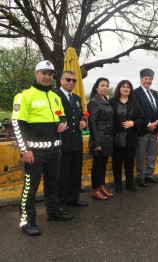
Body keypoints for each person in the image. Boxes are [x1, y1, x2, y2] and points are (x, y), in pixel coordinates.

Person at [12, 60, 72, 236]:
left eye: (50, 74)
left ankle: (53, 212)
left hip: (54, 151)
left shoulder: (55, 96)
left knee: (53, 184)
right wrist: (24, 150)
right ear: (36, 74)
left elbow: (62, 118)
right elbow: (17, 125)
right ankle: (26, 220)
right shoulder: (24, 96)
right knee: (30, 188)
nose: (47, 77)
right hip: (34, 153)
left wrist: (63, 124)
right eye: (43, 73)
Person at [56, 70, 88, 207]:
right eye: (68, 80)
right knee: (63, 174)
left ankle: (73, 198)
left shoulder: (77, 98)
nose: (71, 83)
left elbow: (80, 115)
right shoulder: (54, 96)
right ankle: (61, 201)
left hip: (75, 140)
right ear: (61, 80)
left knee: (76, 171)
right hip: (62, 141)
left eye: (74, 81)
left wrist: (83, 122)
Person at [109, 80, 145, 193]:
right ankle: (118, 185)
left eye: (128, 87)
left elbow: (142, 118)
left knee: (130, 161)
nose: (126, 89)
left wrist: (133, 123)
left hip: (131, 137)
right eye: (123, 87)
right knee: (117, 163)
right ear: (119, 88)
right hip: (116, 137)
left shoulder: (135, 103)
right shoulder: (112, 102)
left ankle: (129, 184)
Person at [134, 68, 158, 187]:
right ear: (141, 79)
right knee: (140, 154)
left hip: (154, 128)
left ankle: (149, 175)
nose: (148, 81)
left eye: (150, 79)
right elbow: (138, 111)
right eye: (146, 78)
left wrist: (157, 122)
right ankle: (140, 177)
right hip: (142, 129)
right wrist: (148, 124)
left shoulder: (154, 93)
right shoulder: (135, 93)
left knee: (151, 153)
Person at [88, 77, 114, 200]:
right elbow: (92, 123)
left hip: (107, 138)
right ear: (97, 87)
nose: (105, 88)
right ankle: (95, 189)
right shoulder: (94, 102)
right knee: (97, 165)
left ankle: (102, 186)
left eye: (106, 85)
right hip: (99, 138)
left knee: (103, 164)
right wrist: (96, 142)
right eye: (102, 85)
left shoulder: (105, 100)